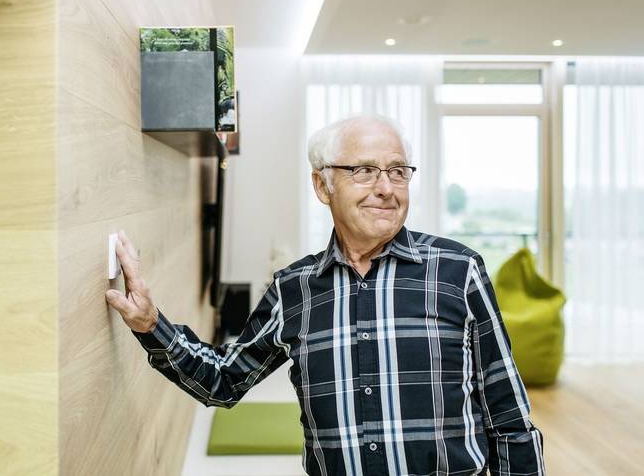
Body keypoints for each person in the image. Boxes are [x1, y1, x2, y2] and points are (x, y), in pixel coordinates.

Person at [105, 114, 546, 475]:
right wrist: (150, 323)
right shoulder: (292, 290)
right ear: (322, 186)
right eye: (364, 171)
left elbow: (508, 418)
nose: (386, 188)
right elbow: (223, 381)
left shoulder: (458, 271)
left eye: (397, 171)